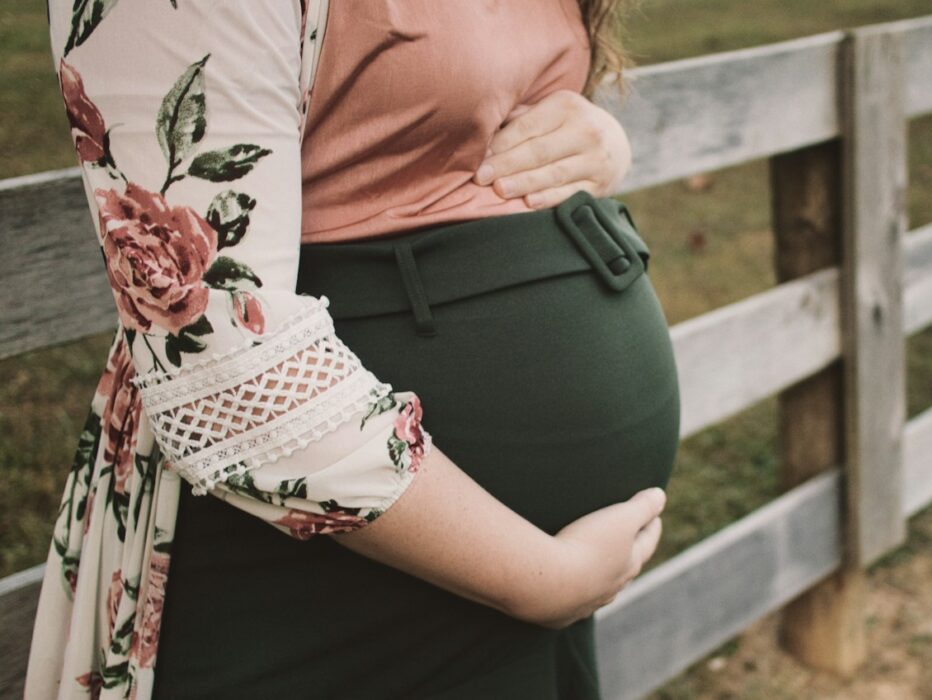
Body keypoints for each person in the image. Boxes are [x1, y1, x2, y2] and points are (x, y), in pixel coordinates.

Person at [26, 0, 681, 698]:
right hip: (325, 585)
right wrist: (546, 580)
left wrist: (595, 138)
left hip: (511, 581)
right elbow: (217, 348)